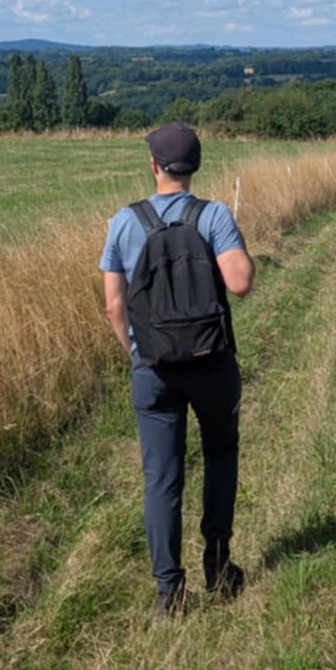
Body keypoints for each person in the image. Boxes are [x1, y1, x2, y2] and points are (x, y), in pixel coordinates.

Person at [100, 122, 255, 620]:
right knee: (220, 456)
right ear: (197, 166)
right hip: (212, 362)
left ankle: (169, 593)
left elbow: (112, 304)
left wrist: (135, 351)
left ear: (153, 166)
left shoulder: (124, 222)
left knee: (161, 479)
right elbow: (241, 284)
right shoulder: (214, 215)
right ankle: (218, 566)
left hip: (153, 367)